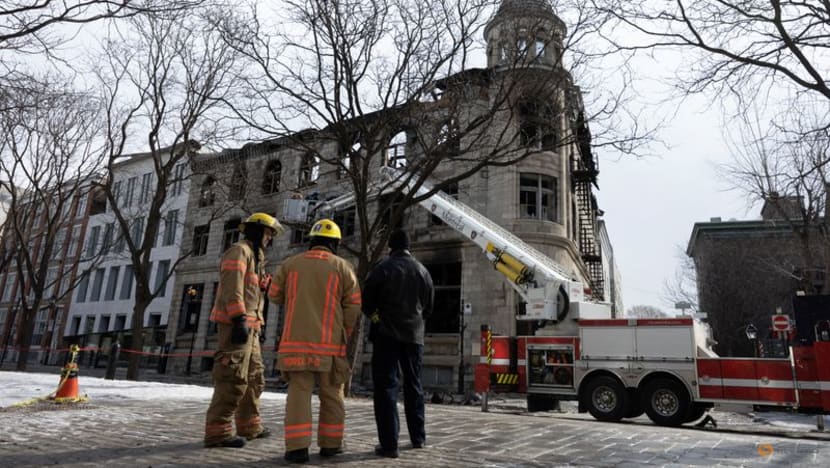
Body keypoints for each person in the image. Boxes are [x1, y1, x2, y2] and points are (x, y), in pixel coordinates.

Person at [267, 218, 361, 464]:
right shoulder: (343, 267)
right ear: (335, 243)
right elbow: (353, 306)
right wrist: (345, 333)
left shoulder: (290, 264)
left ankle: (297, 449)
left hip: (295, 344)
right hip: (330, 347)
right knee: (332, 395)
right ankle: (331, 445)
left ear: (312, 241)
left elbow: (274, 296)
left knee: (299, 393)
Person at [204, 212, 284, 448]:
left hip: (251, 329)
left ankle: (250, 426)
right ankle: (217, 432)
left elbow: (251, 292)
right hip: (235, 327)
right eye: (268, 233)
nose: (269, 238)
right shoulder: (239, 251)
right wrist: (238, 318)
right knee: (232, 378)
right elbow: (232, 288)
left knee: (254, 377)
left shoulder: (256, 258)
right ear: (257, 231)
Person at [362, 229, 434, 458]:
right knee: (414, 385)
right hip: (414, 337)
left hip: (386, 335)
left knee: (386, 388)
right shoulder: (423, 271)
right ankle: (418, 438)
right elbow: (429, 306)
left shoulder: (381, 269)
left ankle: (389, 444)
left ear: (390, 247)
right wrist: (416, 322)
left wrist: (377, 319)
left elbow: (367, 302)